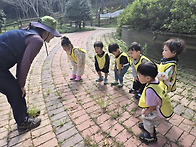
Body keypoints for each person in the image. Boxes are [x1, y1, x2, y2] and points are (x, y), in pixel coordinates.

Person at [0, 16, 61, 133]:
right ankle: (23, 123)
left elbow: (21, 61)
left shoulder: (28, 33)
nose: (53, 37)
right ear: (47, 31)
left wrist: (20, 82)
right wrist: (21, 84)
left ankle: (24, 115)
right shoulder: (36, 40)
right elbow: (25, 64)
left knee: (16, 89)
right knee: (15, 91)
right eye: (52, 33)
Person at [137, 61, 173, 144]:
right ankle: (148, 126)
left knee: (145, 116)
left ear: (148, 78)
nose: (138, 77)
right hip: (164, 106)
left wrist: (148, 111)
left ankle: (151, 136)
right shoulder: (156, 80)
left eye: (140, 76)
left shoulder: (150, 90)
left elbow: (152, 105)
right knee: (146, 116)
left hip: (160, 110)